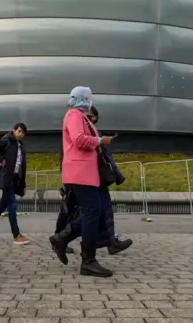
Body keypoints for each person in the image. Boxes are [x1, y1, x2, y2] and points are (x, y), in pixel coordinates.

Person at [53, 106, 132, 256]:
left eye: (92, 114)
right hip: (82, 177)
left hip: (91, 177)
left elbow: (104, 157)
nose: (90, 116)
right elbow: (76, 147)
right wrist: (100, 141)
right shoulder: (76, 121)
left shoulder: (90, 129)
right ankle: (62, 239)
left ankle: (101, 245)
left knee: (97, 211)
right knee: (85, 212)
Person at [53, 86, 114, 277]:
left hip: (85, 172)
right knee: (92, 213)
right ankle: (87, 261)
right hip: (80, 172)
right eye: (89, 98)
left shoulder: (81, 116)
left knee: (92, 212)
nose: (90, 102)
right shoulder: (74, 115)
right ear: (83, 99)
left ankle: (61, 239)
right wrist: (99, 141)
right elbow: (79, 139)